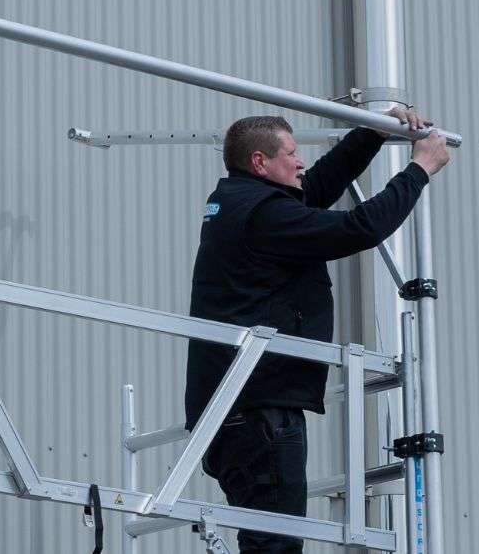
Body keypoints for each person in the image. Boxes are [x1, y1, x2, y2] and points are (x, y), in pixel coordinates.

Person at [184, 109, 450, 553]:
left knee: (268, 538)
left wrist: (371, 134)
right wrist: (419, 170)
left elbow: (318, 188)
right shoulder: (263, 216)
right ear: (259, 162)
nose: (301, 162)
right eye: (291, 154)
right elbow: (357, 228)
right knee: (276, 545)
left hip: (239, 409)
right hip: (259, 410)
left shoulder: (243, 203)